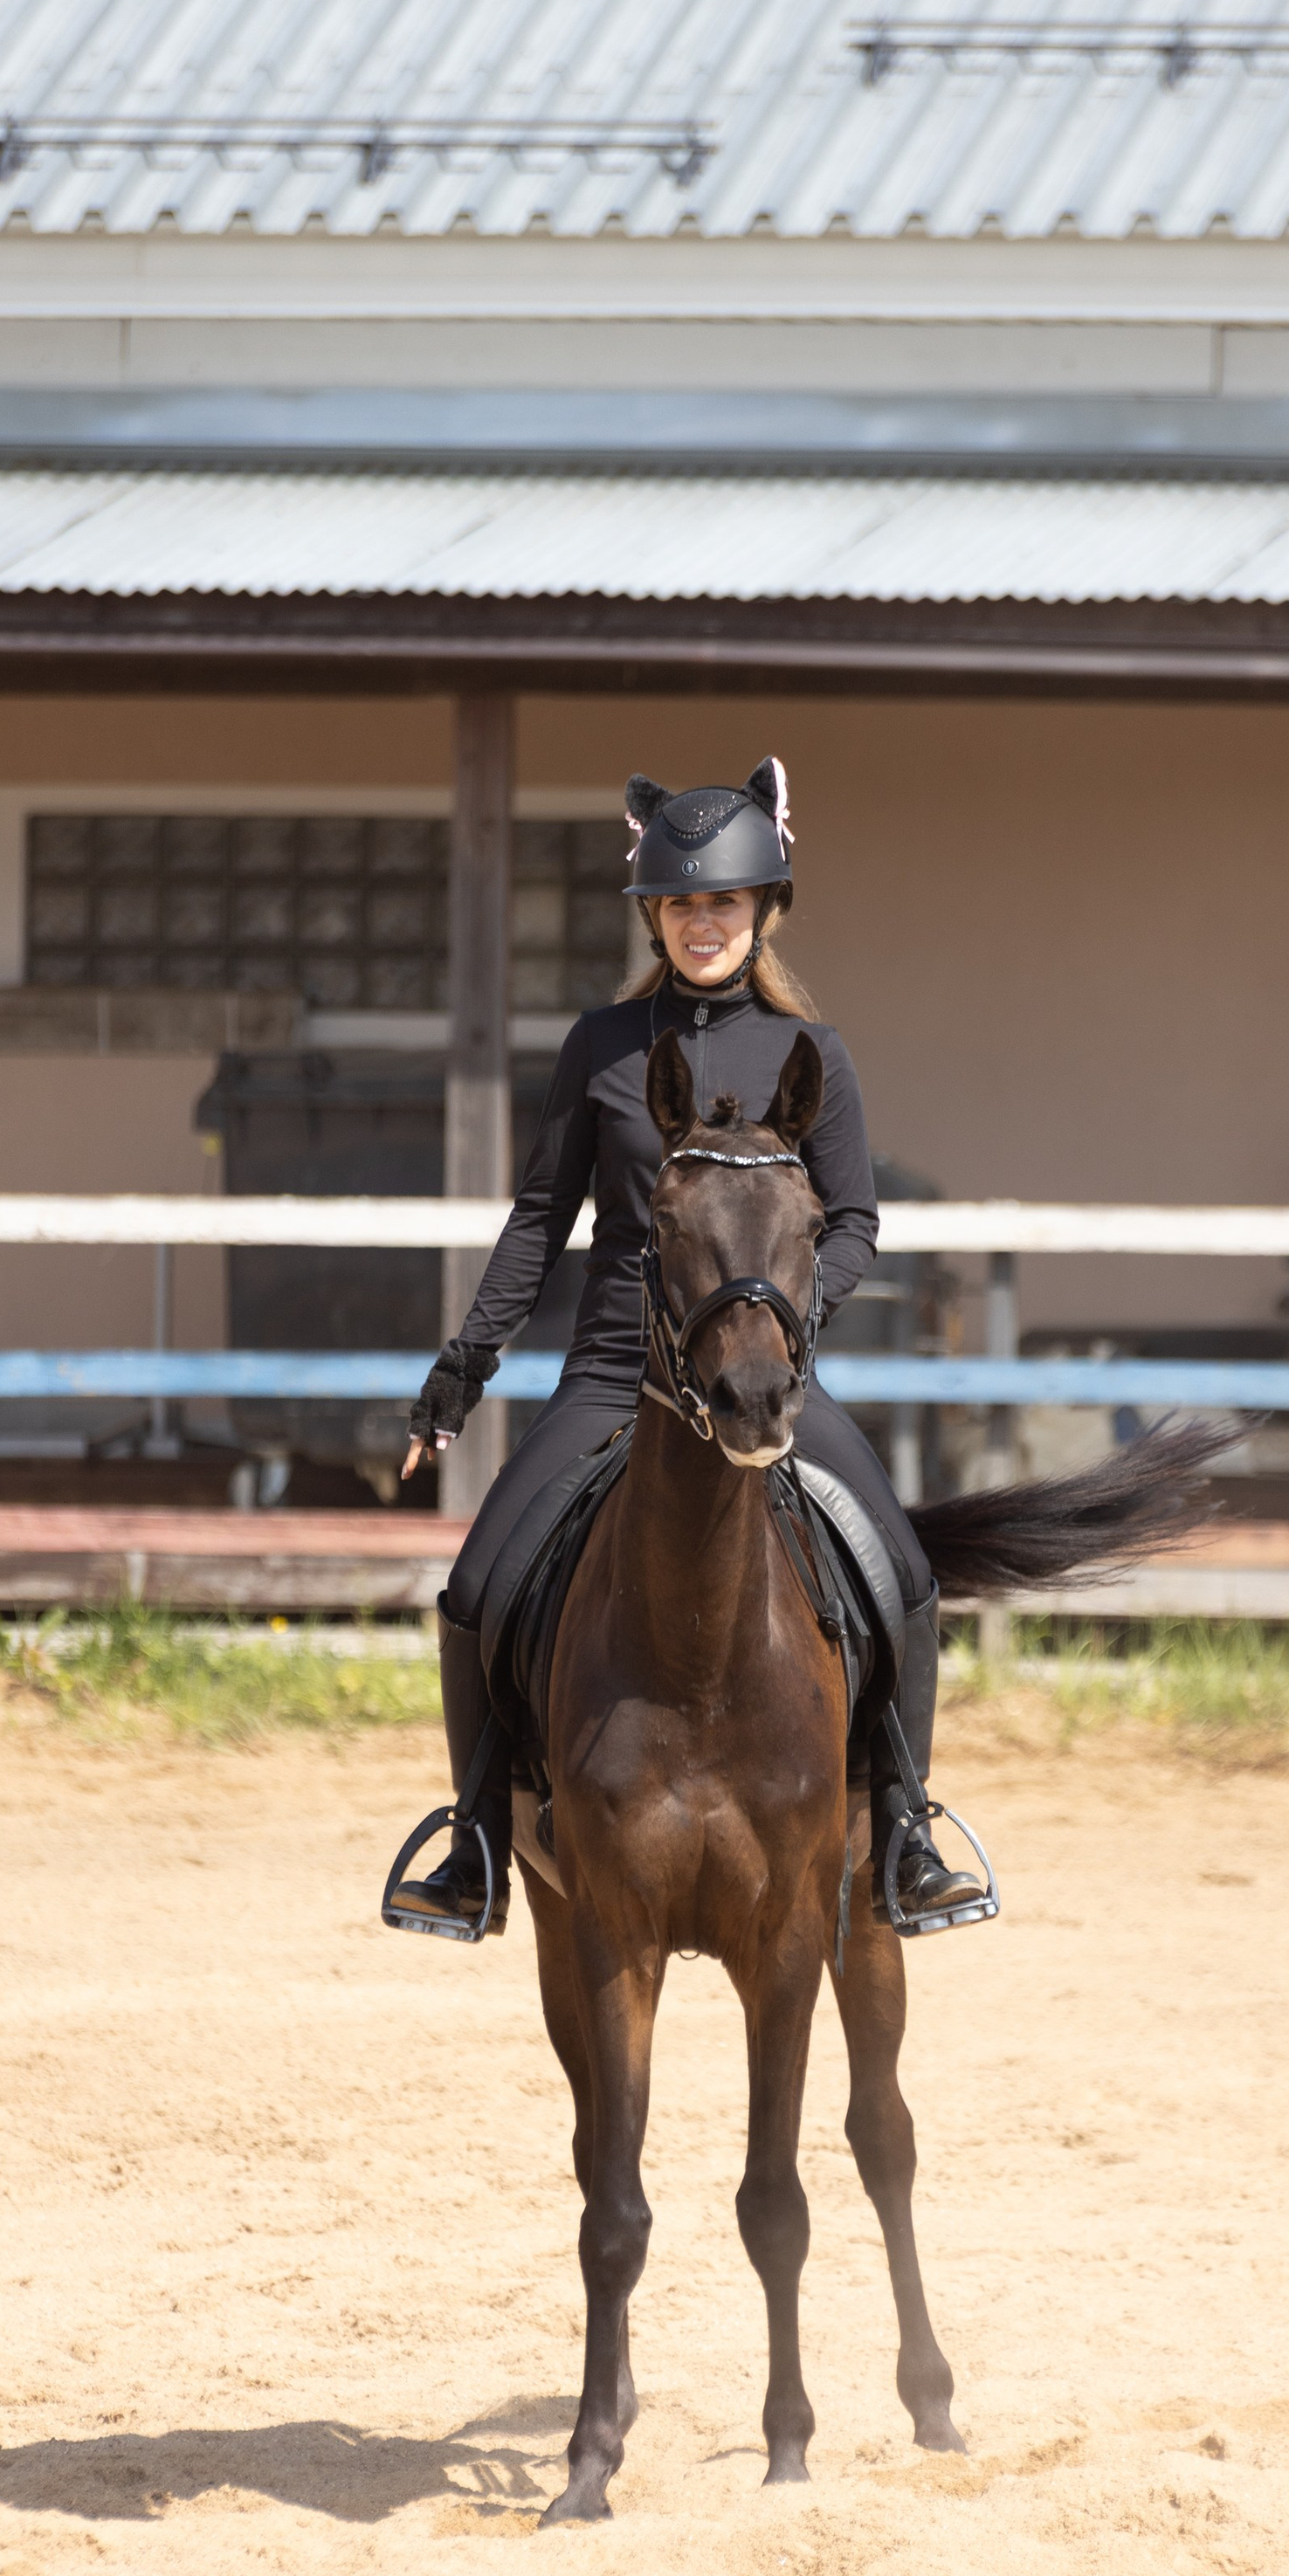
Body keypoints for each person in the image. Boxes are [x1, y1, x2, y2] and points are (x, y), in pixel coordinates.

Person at [385, 757, 989, 1941]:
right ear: (652, 915)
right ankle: (477, 1841)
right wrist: (464, 1365)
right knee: (477, 1586)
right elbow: (539, 1219)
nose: (701, 923)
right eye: (679, 905)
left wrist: (786, 1334)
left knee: (904, 1574)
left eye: (723, 902)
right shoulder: (603, 1047)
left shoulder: (813, 1052)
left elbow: (854, 1223)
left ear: (763, 909)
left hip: (764, 1373)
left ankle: (906, 1831)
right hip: (617, 1375)